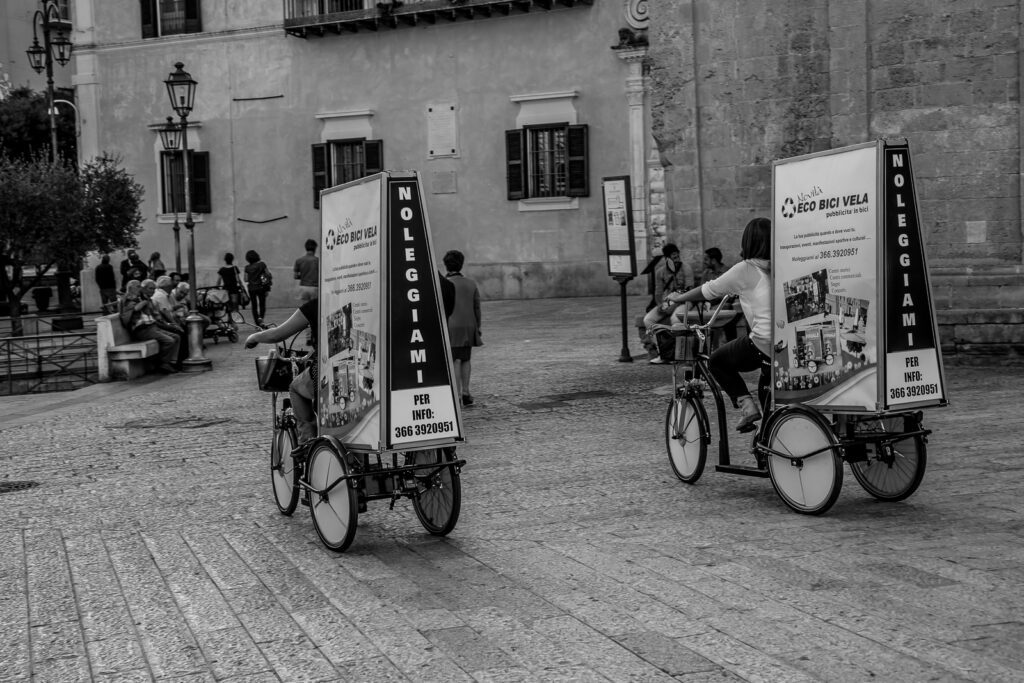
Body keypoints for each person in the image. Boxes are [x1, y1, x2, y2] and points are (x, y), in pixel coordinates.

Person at [664, 217, 772, 432]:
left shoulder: (745, 269)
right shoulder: (782, 265)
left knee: (717, 361)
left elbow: (709, 290)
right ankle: (768, 435)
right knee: (768, 392)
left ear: (748, 242)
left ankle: (747, 406)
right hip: (784, 343)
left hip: (764, 341)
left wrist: (678, 298)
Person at [245, 298, 319, 444]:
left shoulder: (317, 304)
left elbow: (277, 334)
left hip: (325, 371)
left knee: (295, 387)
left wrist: (254, 337)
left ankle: (307, 439)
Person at [443, 250, 482, 407]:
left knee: (454, 360)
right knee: (466, 359)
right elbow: (477, 307)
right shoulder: (471, 283)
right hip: (468, 326)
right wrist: (477, 327)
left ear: (446, 265)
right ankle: (466, 392)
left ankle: (457, 396)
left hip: (451, 325)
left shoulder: (444, 284)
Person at [119, 279, 180, 374]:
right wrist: (144, 302)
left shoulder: (141, 297)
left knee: (176, 336)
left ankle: (171, 362)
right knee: (169, 341)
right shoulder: (129, 298)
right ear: (131, 288)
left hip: (152, 326)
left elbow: (153, 313)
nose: (140, 289)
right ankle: (163, 363)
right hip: (142, 329)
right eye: (138, 287)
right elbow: (134, 309)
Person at [152, 276, 189, 365]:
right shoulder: (161, 295)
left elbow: (168, 310)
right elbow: (166, 313)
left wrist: (176, 308)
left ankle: (181, 358)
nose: (172, 286)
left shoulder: (164, 295)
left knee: (185, 328)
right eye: (171, 285)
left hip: (162, 322)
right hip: (160, 323)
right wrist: (175, 324)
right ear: (167, 286)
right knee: (181, 332)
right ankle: (179, 361)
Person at [244, 250, 272, 326]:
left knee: (254, 305)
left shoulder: (247, 267)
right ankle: (261, 319)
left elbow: (245, 279)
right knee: (262, 304)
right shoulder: (262, 264)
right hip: (261, 287)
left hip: (252, 288)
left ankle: (257, 323)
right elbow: (268, 274)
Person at [293, 239, 319, 304]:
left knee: (305, 309)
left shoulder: (299, 260)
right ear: (315, 248)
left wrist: (304, 275)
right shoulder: (318, 261)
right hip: (315, 287)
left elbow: (295, 276)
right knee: (314, 308)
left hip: (303, 287)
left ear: (306, 248)